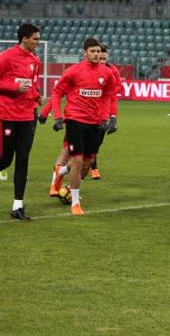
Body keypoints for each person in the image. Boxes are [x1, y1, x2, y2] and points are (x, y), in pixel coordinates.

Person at [41, 38, 118, 215]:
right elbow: (57, 92)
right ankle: (75, 203)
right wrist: (58, 117)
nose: (97, 54)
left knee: (87, 163)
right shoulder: (73, 71)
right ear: (85, 53)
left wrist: (108, 118)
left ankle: (61, 171)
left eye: (98, 52)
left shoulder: (107, 74)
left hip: (96, 123)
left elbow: (109, 96)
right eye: (93, 51)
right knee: (76, 160)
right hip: (75, 121)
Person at [0, 24, 43, 220]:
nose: (38, 42)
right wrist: (14, 86)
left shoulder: (35, 60)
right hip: (7, 115)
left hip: (27, 116)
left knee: (23, 158)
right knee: (5, 159)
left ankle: (17, 206)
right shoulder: (7, 57)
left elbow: (33, 84)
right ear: (24, 39)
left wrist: (37, 96)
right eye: (35, 38)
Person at [88, 44, 122, 180]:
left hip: (104, 111)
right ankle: (93, 168)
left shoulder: (112, 70)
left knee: (97, 141)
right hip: (88, 110)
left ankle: (89, 165)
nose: (102, 61)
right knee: (85, 141)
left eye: (104, 58)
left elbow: (118, 89)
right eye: (100, 58)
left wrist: (113, 117)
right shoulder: (87, 69)